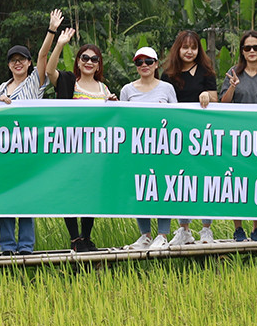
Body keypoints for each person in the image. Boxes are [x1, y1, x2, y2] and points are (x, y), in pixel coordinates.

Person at [0, 10, 62, 255]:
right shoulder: (1, 87)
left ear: (29, 63)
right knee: (6, 198)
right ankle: (8, 246)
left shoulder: (35, 81)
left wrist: (52, 30)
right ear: (9, 64)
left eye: (22, 59)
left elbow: (44, 55)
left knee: (27, 198)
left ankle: (26, 247)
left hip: (29, 148)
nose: (17, 63)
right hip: (4, 150)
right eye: (13, 60)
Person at [44, 29, 113, 252]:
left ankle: (87, 237)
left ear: (99, 64)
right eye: (85, 58)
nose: (89, 62)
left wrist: (114, 103)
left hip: (95, 151)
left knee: (90, 193)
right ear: (78, 62)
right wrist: (60, 43)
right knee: (70, 192)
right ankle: (74, 238)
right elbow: (49, 70)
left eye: (94, 59)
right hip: (70, 148)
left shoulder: (104, 89)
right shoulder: (69, 82)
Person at [219, 30, 257, 242]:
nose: (252, 51)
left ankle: (256, 228)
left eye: (256, 47)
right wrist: (232, 88)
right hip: (236, 139)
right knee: (237, 183)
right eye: (248, 48)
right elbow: (224, 103)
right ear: (242, 52)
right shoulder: (234, 72)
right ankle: (238, 228)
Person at [162, 29, 216, 246]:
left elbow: (215, 97)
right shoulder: (168, 74)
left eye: (193, 48)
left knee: (204, 179)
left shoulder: (206, 72)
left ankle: (206, 229)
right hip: (176, 135)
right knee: (181, 180)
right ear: (178, 49)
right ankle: (183, 229)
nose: (189, 51)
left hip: (203, 135)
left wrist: (207, 96)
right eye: (185, 47)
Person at [119, 46, 175, 249]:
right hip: (137, 150)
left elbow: (176, 118)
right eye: (139, 62)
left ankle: (162, 235)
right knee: (140, 188)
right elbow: (122, 120)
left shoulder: (167, 88)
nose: (144, 65)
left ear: (156, 64)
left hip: (163, 148)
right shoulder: (127, 90)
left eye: (148, 61)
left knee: (163, 189)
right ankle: (145, 235)